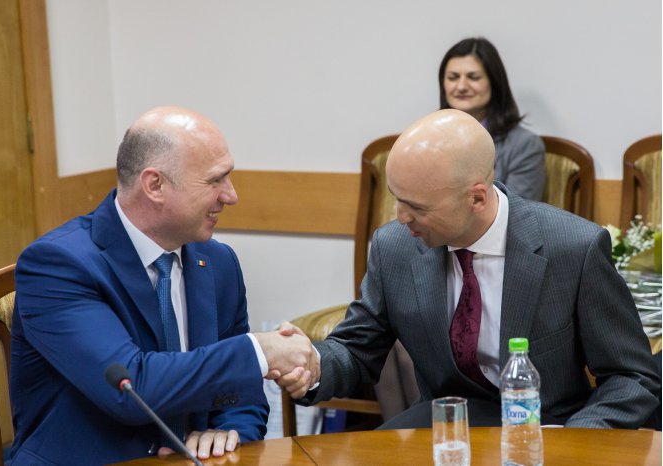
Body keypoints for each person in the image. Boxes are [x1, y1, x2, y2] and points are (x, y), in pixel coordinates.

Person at [278, 109, 660, 429]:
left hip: (546, 430)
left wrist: (575, 442)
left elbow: (632, 377)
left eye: (417, 207)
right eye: (397, 199)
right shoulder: (394, 247)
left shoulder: (573, 248)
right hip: (444, 426)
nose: (401, 217)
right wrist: (312, 366)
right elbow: (357, 349)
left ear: (476, 197)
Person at [10, 106, 318, 465]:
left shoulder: (219, 262)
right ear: (155, 185)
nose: (231, 195)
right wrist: (260, 351)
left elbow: (242, 393)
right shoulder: (58, 265)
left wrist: (229, 435)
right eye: (214, 181)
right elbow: (130, 387)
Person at [439, 37, 545, 201]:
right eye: (453, 77)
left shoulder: (524, 146)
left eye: (473, 77)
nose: (461, 86)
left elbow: (516, 211)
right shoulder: (428, 140)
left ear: (494, 83)